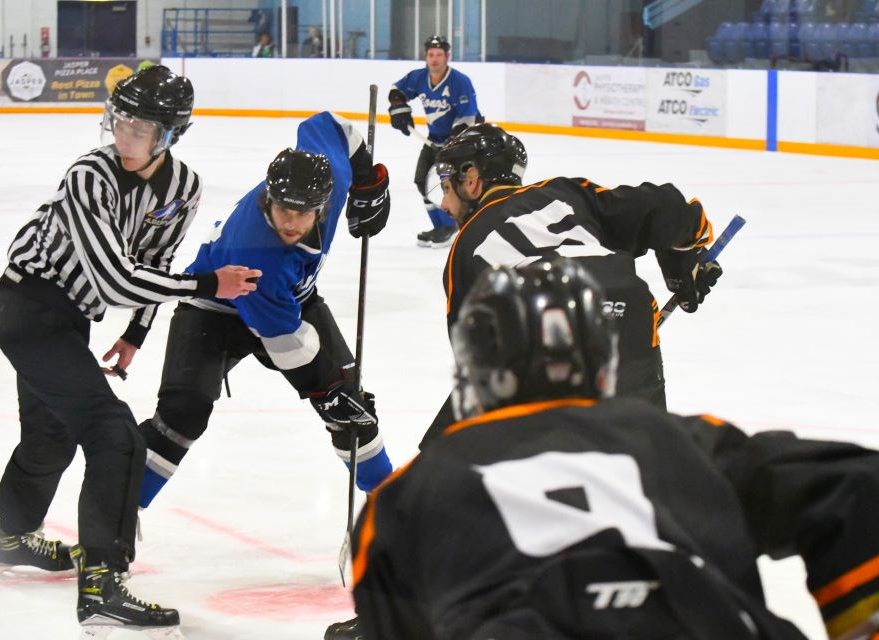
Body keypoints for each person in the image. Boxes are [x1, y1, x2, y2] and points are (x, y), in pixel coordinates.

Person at [349, 257, 879, 640]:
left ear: (472, 372)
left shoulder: (404, 499)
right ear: (604, 365)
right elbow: (854, 486)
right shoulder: (682, 439)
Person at [0, 65, 261, 634]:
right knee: (115, 437)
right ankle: (103, 586)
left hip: (67, 319)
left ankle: (11, 535)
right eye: (121, 123)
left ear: (171, 135)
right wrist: (209, 285)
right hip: (27, 309)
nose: (126, 139)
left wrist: (136, 333)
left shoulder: (182, 186)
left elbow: (152, 265)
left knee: (51, 433)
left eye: (143, 130)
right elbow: (115, 278)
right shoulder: (90, 174)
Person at [134, 111, 394, 516]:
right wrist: (326, 390)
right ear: (269, 197)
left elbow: (329, 126)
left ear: (324, 205)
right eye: (282, 210)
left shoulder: (330, 178)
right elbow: (285, 343)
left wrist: (367, 179)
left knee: (353, 409)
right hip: (215, 308)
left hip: (292, 297)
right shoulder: (258, 254)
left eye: (302, 213)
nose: (290, 223)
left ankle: (391, 505)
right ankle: (118, 512)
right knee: (182, 416)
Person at [417, 122, 722, 447]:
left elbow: (474, 357)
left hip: (543, 338)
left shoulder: (466, 247)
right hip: (630, 313)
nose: (446, 207)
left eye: (447, 190)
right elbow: (662, 206)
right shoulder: (565, 192)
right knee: (643, 470)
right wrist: (684, 255)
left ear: (472, 180)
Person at [388, 35, 482, 248]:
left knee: (451, 186)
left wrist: (453, 143)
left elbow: (468, 117)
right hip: (434, 141)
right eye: (431, 54)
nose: (435, 59)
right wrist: (399, 109)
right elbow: (397, 90)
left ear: (447, 57)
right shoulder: (419, 77)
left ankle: (452, 226)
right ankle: (441, 226)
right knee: (422, 181)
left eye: (439, 55)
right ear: (426, 56)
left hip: (460, 143)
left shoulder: (460, 81)